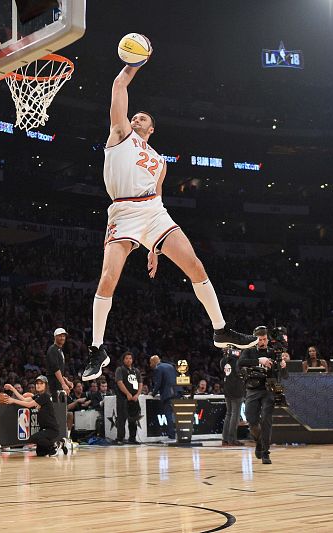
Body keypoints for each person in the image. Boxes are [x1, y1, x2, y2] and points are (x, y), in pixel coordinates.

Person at [82, 47, 256, 381]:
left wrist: (154, 249)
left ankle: (221, 329)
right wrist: (133, 65)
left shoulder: (161, 161)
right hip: (123, 210)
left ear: (152, 129)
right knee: (108, 278)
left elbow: (159, 198)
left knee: (195, 266)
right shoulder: (120, 134)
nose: (136, 120)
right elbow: (119, 88)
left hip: (154, 212)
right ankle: (96, 349)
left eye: (142, 119)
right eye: (135, 117)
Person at [239, 326, 289, 464]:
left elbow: (285, 376)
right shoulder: (248, 351)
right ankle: (259, 442)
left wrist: (283, 365)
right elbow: (240, 363)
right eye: (260, 339)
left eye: (264, 339)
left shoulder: (273, 352)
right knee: (251, 420)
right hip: (252, 389)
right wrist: (259, 360)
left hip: (269, 389)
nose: (262, 342)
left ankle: (266, 452)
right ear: (255, 339)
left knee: (266, 420)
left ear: (268, 338)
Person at [3, 376, 68, 457]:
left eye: (41, 383)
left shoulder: (45, 396)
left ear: (46, 385)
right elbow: (24, 399)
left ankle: (55, 446)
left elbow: (29, 405)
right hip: (44, 429)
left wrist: (13, 400)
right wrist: (12, 389)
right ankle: (61, 442)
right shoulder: (38, 396)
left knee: (34, 438)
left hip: (51, 429)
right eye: (37, 383)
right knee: (40, 453)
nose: (38, 385)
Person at [114, 352, 141, 445]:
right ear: (123, 360)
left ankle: (132, 438)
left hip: (134, 398)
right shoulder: (120, 369)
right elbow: (119, 382)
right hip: (123, 398)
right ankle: (120, 438)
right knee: (121, 419)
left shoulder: (136, 371)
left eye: (130, 358)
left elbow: (140, 383)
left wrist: (137, 394)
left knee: (133, 419)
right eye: (126, 358)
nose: (128, 360)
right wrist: (127, 393)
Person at [219, 349, 244, 446]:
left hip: (227, 388)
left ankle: (225, 439)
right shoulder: (237, 361)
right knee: (235, 414)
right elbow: (240, 373)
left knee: (229, 414)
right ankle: (232, 439)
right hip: (236, 389)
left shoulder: (223, 360)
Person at [149, 355, 177, 442]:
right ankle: (178, 435)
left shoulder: (158, 369)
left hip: (168, 395)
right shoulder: (170, 366)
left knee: (168, 415)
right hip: (177, 393)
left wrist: (153, 393)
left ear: (154, 362)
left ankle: (171, 436)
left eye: (150, 362)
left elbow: (158, 383)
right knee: (175, 415)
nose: (150, 365)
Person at [46, 328, 73, 400]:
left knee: (61, 406)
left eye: (63, 336)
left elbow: (59, 370)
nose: (62, 338)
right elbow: (55, 368)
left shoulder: (59, 350)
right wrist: (63, 384)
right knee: (56, 406)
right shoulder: (52, 349)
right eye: (60, 336)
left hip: (58, 382)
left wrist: (66, 381)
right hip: (53, 383)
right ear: (55, 337)